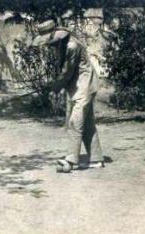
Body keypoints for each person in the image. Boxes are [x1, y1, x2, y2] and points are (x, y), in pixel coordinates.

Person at [44, 26, 104, 173]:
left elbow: (67, 72)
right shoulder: (64, 45)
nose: (51, 46)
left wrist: (55, 88)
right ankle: (96, 159)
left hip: (85, 86)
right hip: (80, 87)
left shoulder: (72, 46)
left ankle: (71, 160)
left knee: (75, 122)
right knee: (88, 124)